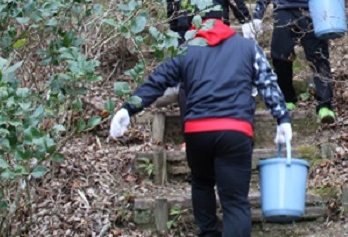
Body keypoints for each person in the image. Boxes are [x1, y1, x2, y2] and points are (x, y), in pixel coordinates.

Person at [110, 18, 293, 237]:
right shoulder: (247, 47)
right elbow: (268, 83)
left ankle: (208, 233)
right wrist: (282, 118)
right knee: (235, 202)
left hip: (198, 130)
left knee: (202, 183)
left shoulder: (187, 50)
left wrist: (128, 109)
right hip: (235, 130)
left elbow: (158, 80)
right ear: (227, 29)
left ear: (196, 31)